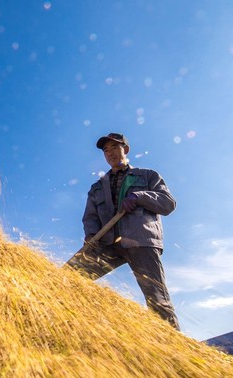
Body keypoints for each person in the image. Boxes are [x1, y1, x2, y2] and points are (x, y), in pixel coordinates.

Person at [73, 132, 180, 330]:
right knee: (71, 276)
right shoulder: (97, 187)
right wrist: (90, 235)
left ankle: (174, 346)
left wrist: (140, 196)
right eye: (106, 150)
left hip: (140, 241)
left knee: (157, 298)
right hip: (107, 242)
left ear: (126, 149)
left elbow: (168, 204)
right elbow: (90, 217)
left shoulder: (147, 176)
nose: (110, 153)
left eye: (115, 147)